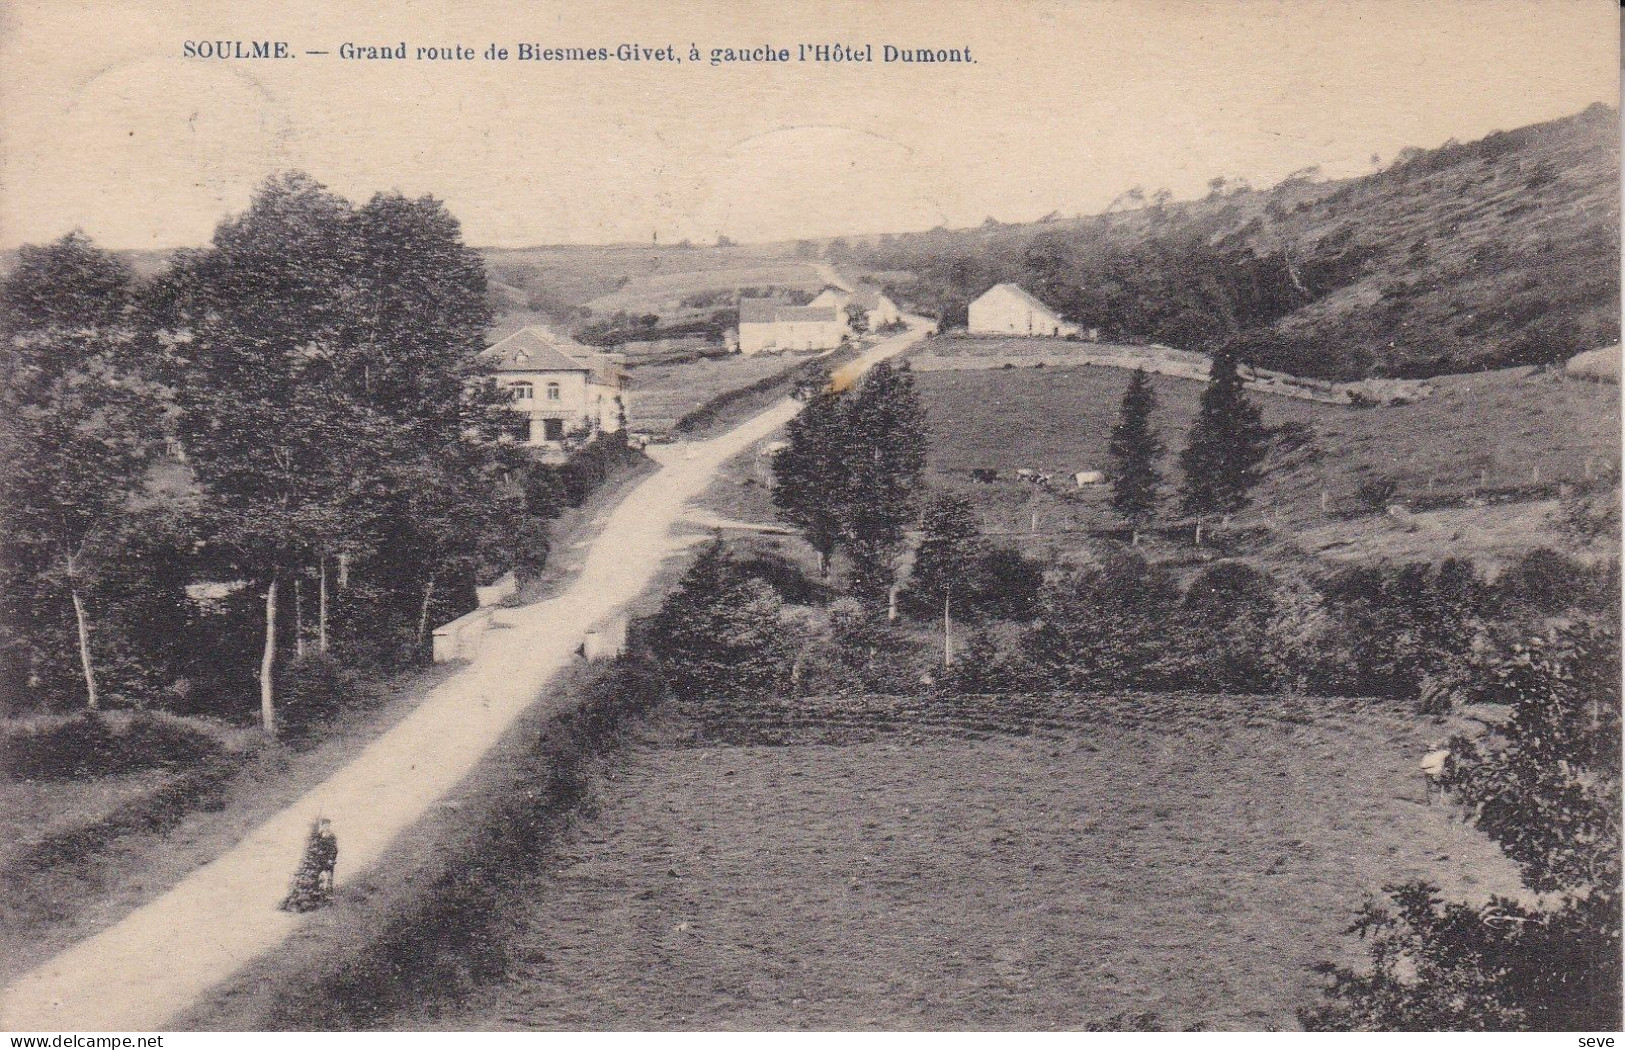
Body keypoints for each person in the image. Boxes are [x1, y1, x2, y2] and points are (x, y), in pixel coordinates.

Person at [279, 817, 339, 912]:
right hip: (318, 861)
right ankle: (318, 895)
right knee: (318, 877)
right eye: (324, 825)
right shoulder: (317, 836)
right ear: (321, 826)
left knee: (329, 878)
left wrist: (331, 859)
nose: (326, 827)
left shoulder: (331, 836)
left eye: (328, 825)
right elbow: (313, 848)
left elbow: (334, 849)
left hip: (328, 861)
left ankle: (329, 896)